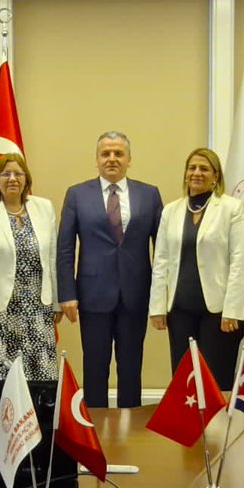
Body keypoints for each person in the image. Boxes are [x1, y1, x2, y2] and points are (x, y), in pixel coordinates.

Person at [57, 131, 163, 408]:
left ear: (129, 160)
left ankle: (130, 434)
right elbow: (65, 248)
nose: (112, 159)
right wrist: (66, 294)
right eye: (106, 154)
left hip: (135, 294)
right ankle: (96, 431)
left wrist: (161, 297)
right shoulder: (77, 194)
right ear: (97, 160)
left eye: (118, 154)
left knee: (131, 367)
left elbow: (163, 251)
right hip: (93, 295)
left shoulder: (149, 194)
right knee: (94, 367)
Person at [149, 148, 244, 390]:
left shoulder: (231, 208)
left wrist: (233, 310)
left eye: (204, 168)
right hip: (180, 310)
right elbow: (161, 259)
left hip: (218, 313)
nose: (197, 173)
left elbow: (241, 260)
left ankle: (217, 428)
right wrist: (157, 307)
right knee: (184, 380)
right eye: (192, 168)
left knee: (215, 379)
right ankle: (189, 428)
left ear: (216, 176)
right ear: (185, 173)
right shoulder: (171, 211)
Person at [0, 153, 60, 380]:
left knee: (39, 377)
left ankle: (37, 416)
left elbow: (52, 259)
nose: (12, 178)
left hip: (37, 310)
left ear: (26, 179)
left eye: (18, 173)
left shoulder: (44, 208)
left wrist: (56, 302)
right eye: (6, 174)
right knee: (1, 380)